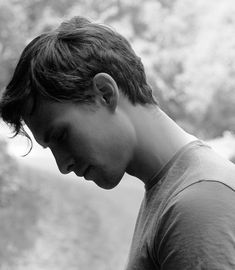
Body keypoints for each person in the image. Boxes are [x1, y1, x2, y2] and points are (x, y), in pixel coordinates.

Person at [1, 16, 235, 269]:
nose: (63, 166)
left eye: (61, 136)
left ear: (105, 93)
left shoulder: (197, 205)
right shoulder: (174, 191)